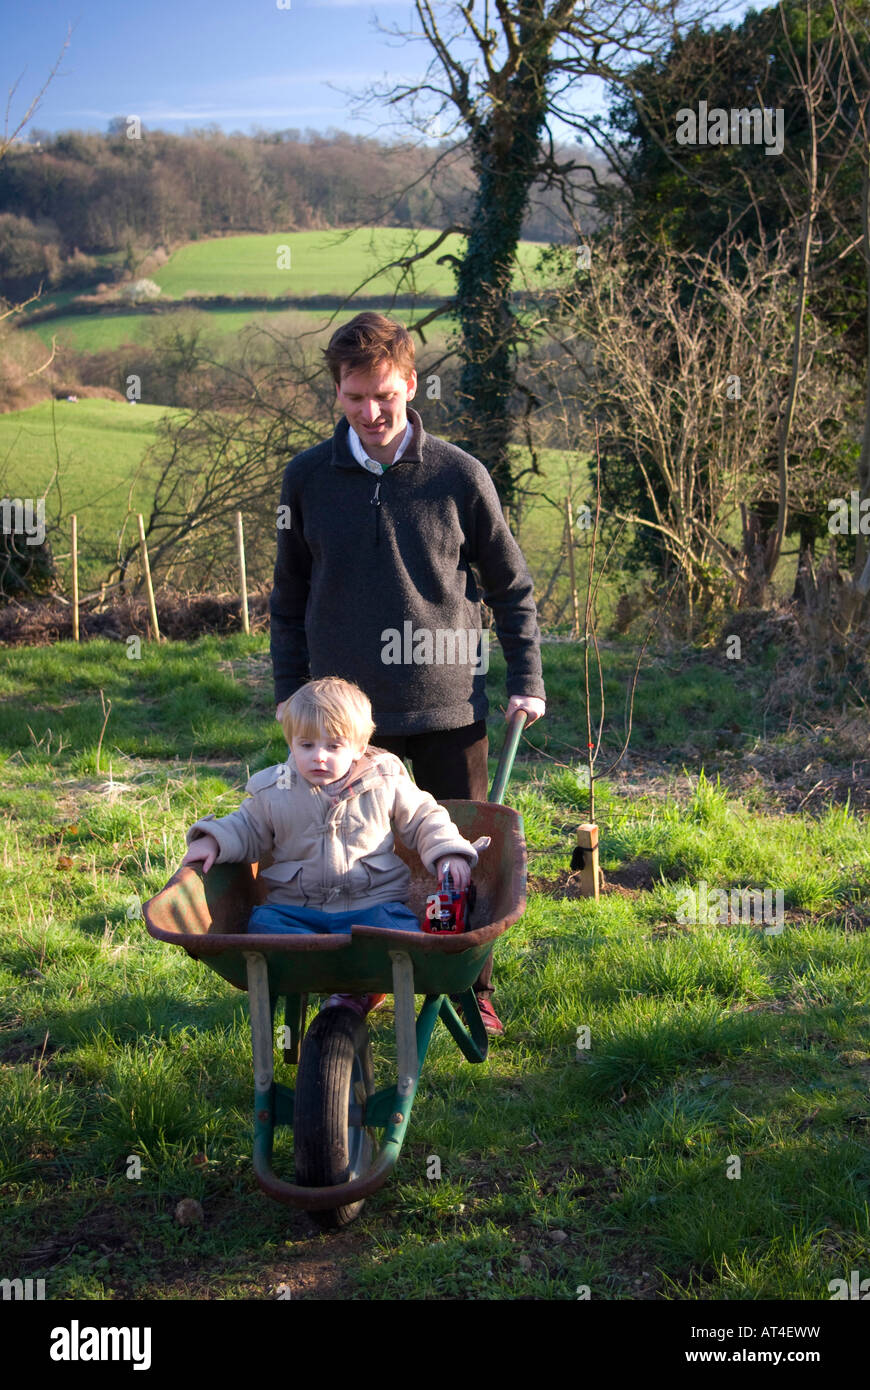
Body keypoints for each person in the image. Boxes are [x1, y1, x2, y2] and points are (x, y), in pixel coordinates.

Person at [269, 312, 546, 1033]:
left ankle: (466, 982)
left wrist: (528, 680)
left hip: (448, 708)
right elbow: (287, 604)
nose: (371, 413)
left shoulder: (459, 476)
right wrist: (291, 703)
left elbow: (511, 586)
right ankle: (362, 977)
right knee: (353, 858)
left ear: (411, 384)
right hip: (346, 725)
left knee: (463, 857)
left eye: (383, 396)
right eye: (355, 397)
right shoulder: (307, 480)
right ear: (337, 393)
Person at [181, 678, 488, 1018]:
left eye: (333, 746)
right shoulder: (274, 790)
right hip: (296, 909)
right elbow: (245, 827)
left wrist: (448, 851)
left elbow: (425, 818)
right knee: (262, 933)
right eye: (307, 745)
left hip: (372, 906)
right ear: (291, 742)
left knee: (406, 940)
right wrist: (212, 838)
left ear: (359, 747)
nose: (319, 757)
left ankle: (364, 985)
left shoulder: (384, 781)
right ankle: (340, 982)